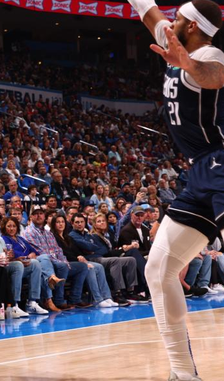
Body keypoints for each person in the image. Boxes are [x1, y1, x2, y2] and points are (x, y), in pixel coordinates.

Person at [129, 1, 224, 378]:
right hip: (200, 172)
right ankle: (183, 374)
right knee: (159, 268)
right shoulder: (175, 39)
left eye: (179, 20)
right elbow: (147, 9)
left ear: (194, 27)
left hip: (220, 162)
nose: (172, 23)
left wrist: (188, 64)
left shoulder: (208, 53)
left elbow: (214, 75)